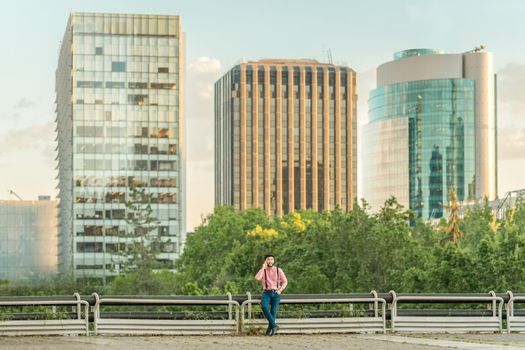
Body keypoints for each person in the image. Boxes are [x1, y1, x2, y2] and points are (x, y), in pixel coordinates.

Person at [255, 254, 288, 336]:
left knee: (273, 312)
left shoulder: (278, 270)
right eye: (268, 259)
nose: (270, 261)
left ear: (273, 261)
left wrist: (280, 290)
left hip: (276, 293)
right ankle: (274, 326)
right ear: (265, 261)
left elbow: (285, 281)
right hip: (266, 293)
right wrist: (263, 267)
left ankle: (268, 331)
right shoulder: (263, 270)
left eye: (271, 259)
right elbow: (257, 278)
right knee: (264, 307)